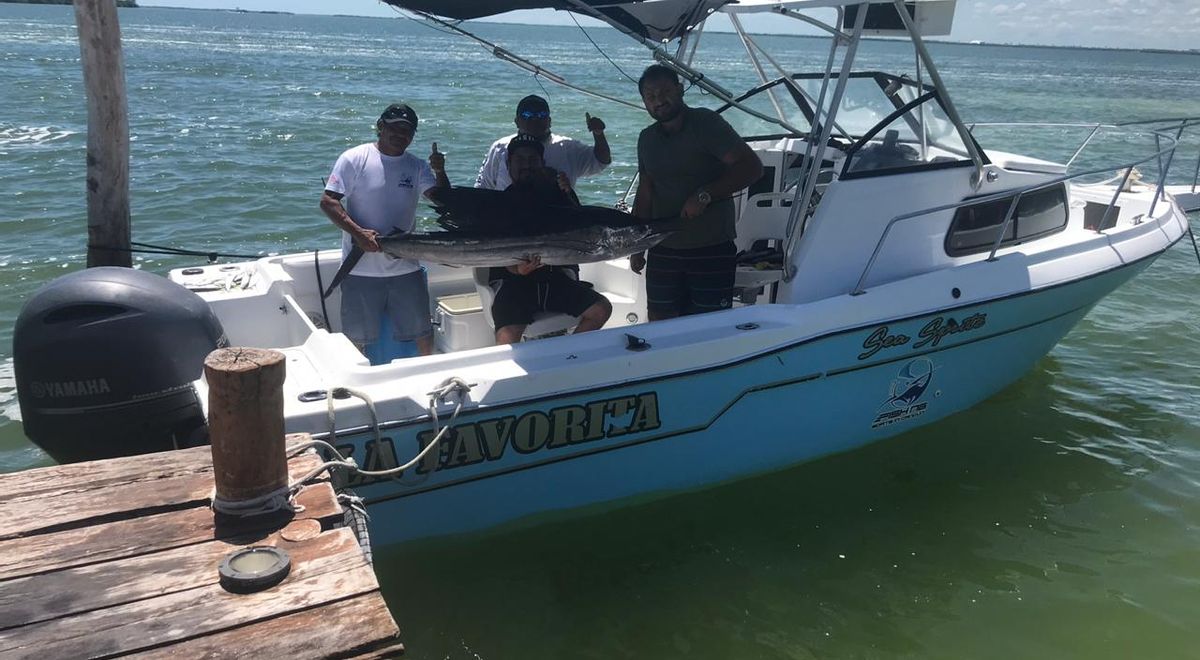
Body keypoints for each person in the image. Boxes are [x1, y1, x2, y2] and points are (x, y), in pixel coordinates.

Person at [630, 64, 764, 320]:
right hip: (662, 249)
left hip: (710, 247)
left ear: (680, 90)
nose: (658, 100)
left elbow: (751, 167)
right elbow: (645, 191)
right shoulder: (646, 139)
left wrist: (705, 194)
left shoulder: (705, 123)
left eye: (664, 91)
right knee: (658, 326)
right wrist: (637, 246)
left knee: (708, 328)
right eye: (650, 96)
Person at [319, 103, 449, 358]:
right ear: (380, 127)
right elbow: (328, 201)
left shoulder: (417, 166)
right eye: (395, 128)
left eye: (407, 131)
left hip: (406, 268)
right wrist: (359, 234)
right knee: (356, 339)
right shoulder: (355, 157)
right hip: (360, 271)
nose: (401, 135)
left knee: (422, 331)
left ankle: (428, 377)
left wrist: (440, 170)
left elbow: (443, 201)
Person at [487, 134, 612, 344]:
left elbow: (581, 230)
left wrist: (568, 193)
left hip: (555, 279)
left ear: (542, 164)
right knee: (507, 336)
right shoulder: (498, 204)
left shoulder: (558, 196)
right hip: (515, 282)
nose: (526, 165)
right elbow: (495, 250)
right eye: (520, 160)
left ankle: (566, 356)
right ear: (508, 164)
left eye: (532, 160)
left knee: (601, 309)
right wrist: (518, 270)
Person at [474, 94, 611, 191]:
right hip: (509, 221)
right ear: (516, 121)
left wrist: (598, 134)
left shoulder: (568, 148)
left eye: (541, 115)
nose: (534, 120)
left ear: (549, 121)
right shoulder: (500, 148)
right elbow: (483, 189)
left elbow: (601, 162)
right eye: (527, 115)